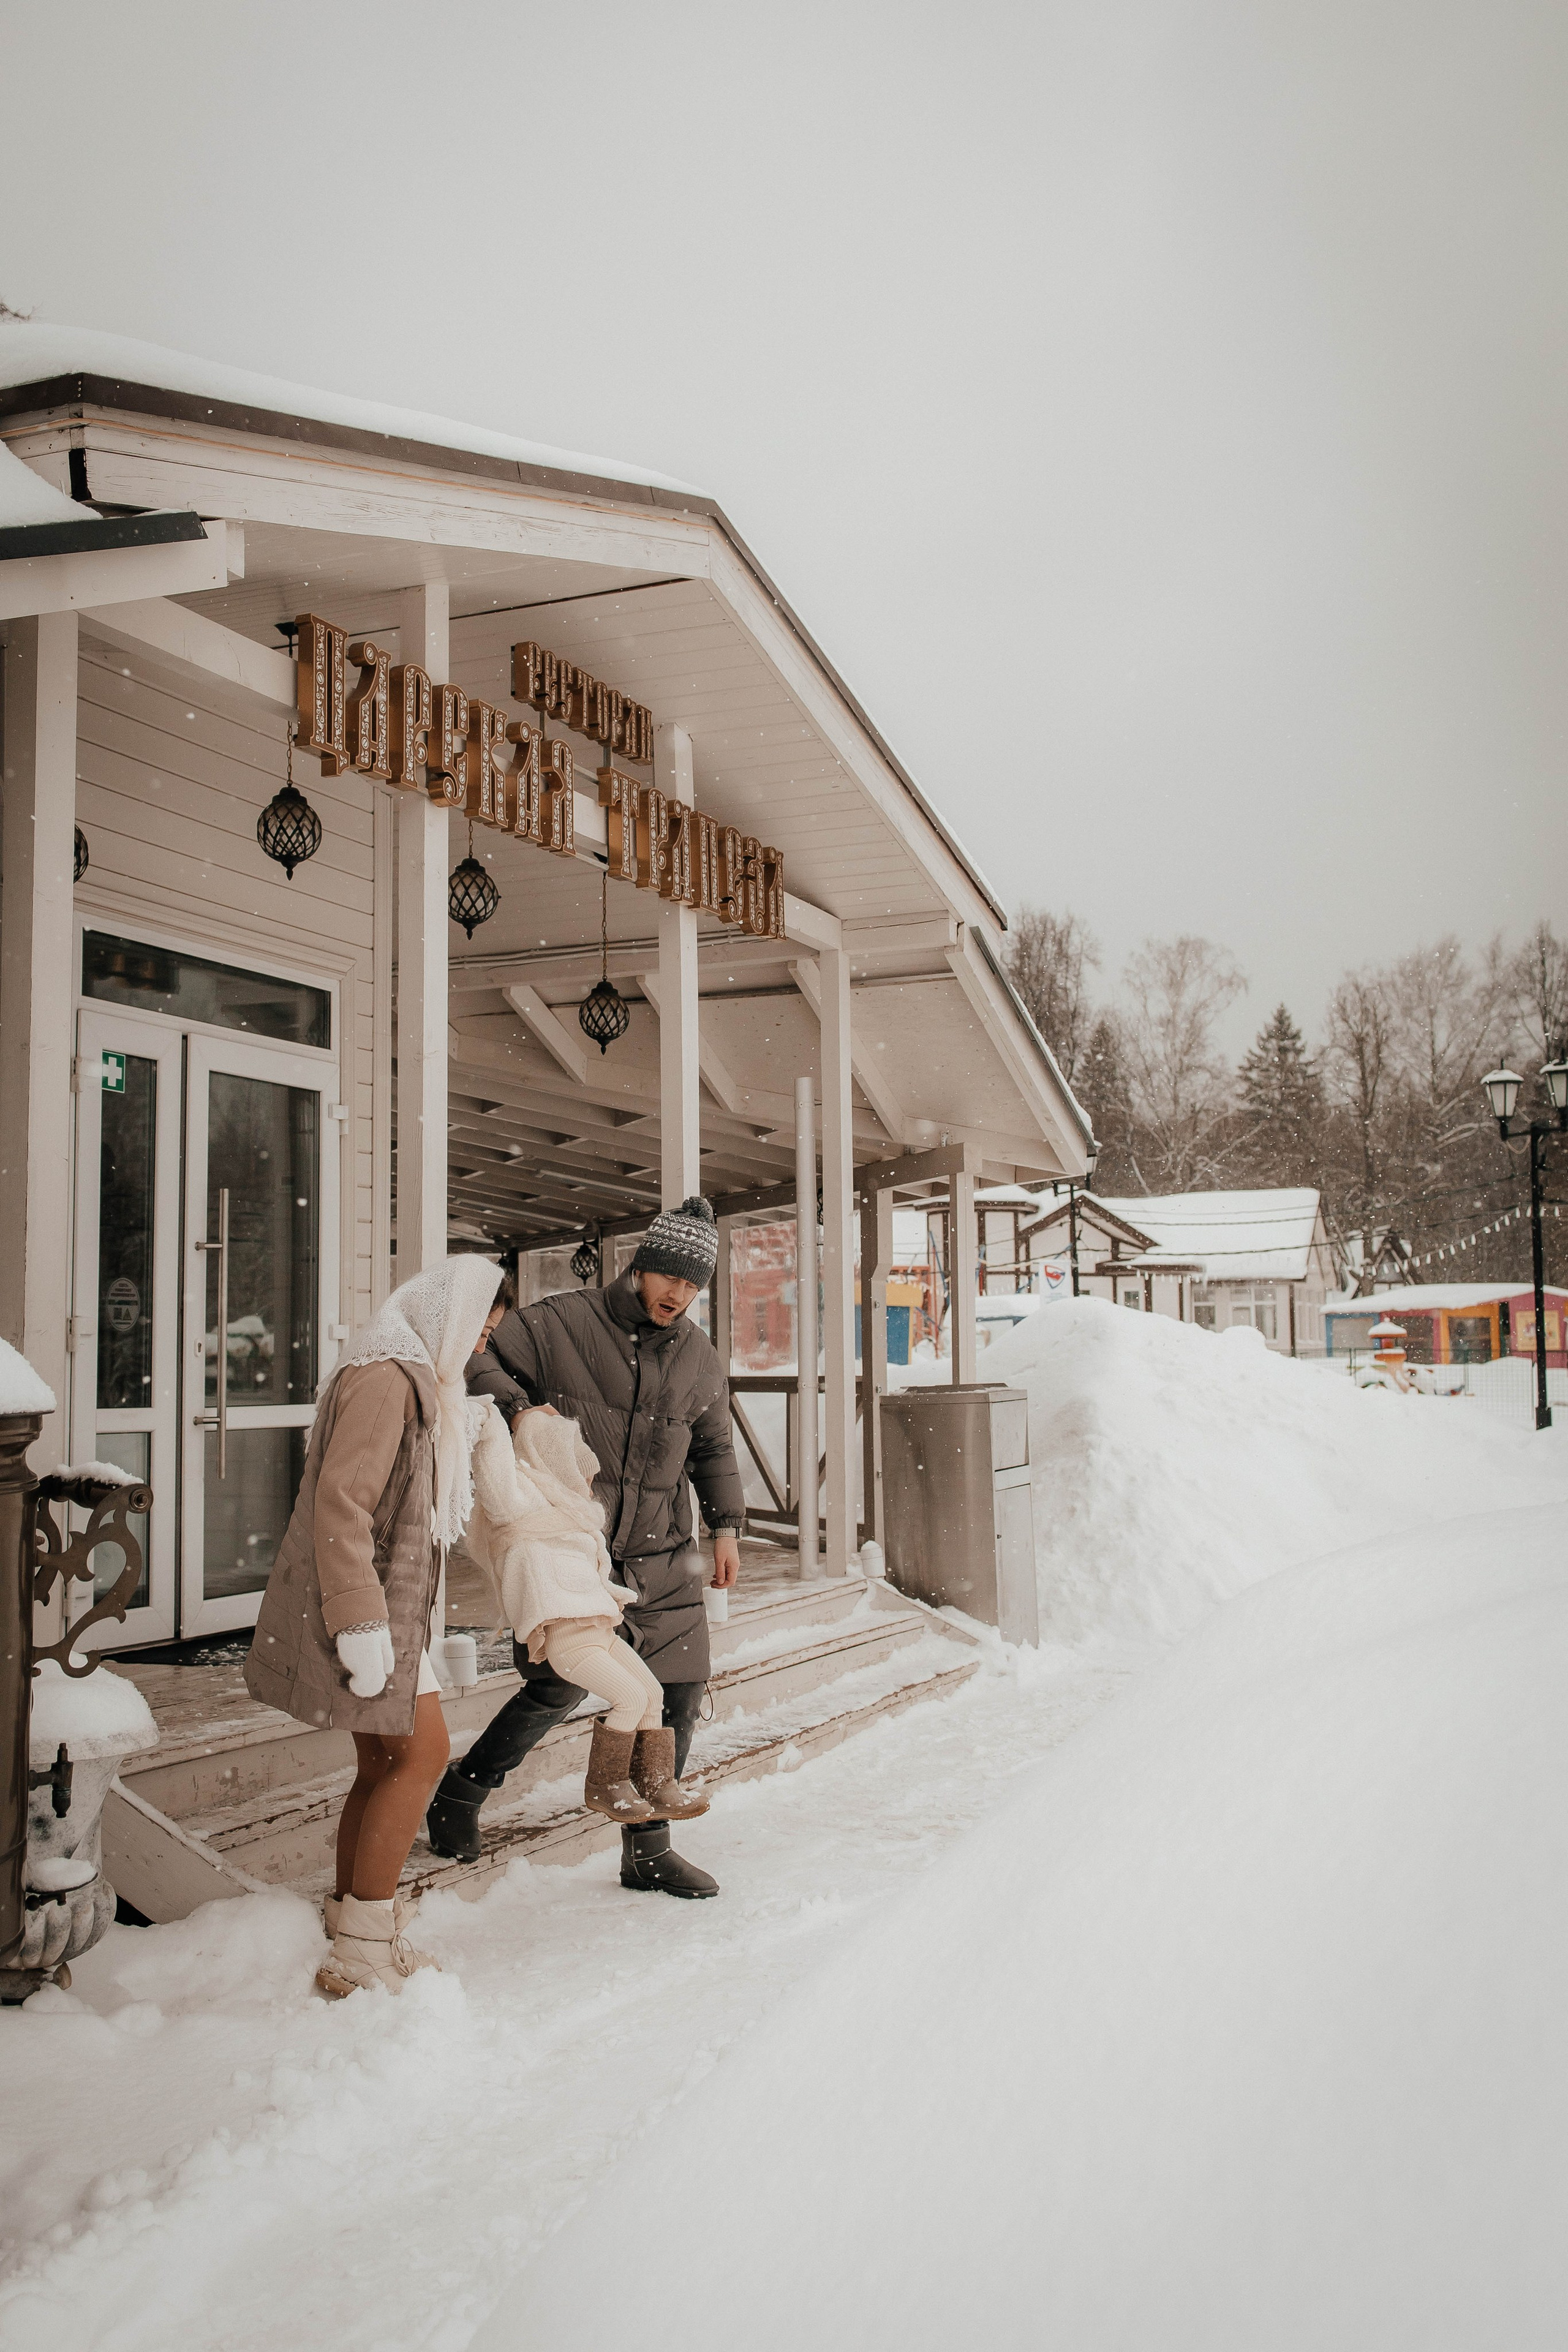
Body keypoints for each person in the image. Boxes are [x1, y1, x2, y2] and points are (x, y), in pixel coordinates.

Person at [427, 1194, 744, 1897]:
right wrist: (518, 1408)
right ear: (641, 1266)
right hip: (575, 1543)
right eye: (670, 1277)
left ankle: (648, 1849)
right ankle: (461, 1792)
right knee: (558, 1685)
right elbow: (477, 1360)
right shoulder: (561, 1322)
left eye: (693, 1285)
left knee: (679, 1689)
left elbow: (713, 1445)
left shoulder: (698, 1356)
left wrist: (725, 1526)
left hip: (664, 1548)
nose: (679, 1294)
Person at [245, 1254, 503, 1995]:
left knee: (383, 1763)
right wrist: (359, 1623)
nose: (478, 1346)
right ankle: (363, 1946)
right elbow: (343, 1501)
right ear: (448, 1317)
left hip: (386, 1604)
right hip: (372, 1608)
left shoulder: (405, 1371)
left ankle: (350, 1925)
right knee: (423, 1757)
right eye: (479, 1330)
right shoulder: (389, 1376)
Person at [466, 1403, 709, 1826]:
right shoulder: (518, 1504)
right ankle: (605, 1785)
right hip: (568, 1637)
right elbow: (493, 1471)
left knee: (652, 1694)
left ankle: (655, 1784)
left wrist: (615, 1595)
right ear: (556, 1462)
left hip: (598, 1630)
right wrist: (489, 1418)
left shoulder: (575, 1515)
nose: (589, 1480)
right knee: (629, 1698)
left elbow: (585, 1577)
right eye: (583, 1469)